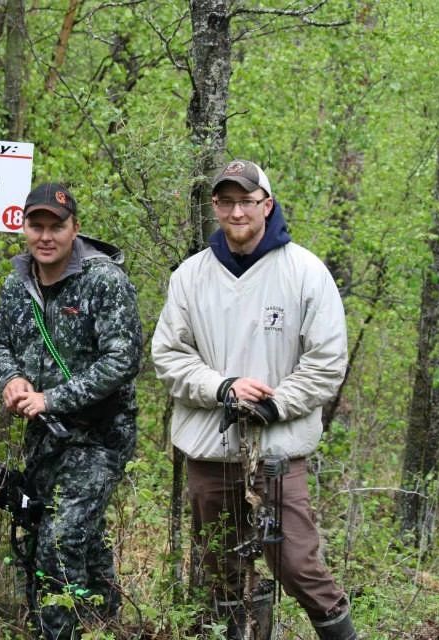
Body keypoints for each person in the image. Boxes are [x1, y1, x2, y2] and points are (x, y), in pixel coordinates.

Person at [151, 160, 356, 640]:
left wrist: (276, 403)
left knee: (296, 563)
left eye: (246, 200)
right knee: (221, 569)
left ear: (267, 205)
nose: (237, 211)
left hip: (278, 450)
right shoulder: (191, 276)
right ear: (215, 207)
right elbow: (169, 355)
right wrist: (222, 387)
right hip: (210, 448)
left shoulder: (305, 273)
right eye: (226, 201)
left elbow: (327, 361)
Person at [0, 183, 142, 640]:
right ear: (24, 228)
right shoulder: (17, 283)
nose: (46, 236)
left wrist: (52, 399)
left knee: (61, 538)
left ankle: (59, 633)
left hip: (100, 434)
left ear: (75, 228)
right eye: (36, 226)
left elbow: (122, 360)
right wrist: (12, 379)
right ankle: (103, 622)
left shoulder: (103, 281)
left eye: (56, 227)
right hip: (44, 436)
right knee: (50, 532)